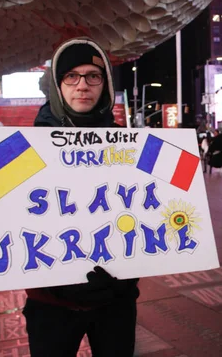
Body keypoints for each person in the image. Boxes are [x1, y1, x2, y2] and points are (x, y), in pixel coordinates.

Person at [24, 37, 139, 357]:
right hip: (50, 306)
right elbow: (1, 216)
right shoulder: (26, 149)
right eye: (71, 76)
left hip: (115, 303)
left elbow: (147, 216)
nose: (82, 85)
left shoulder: (128, 150)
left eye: (93, 75)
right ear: (57, 85)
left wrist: (127, 279)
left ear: (106, 84)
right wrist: (55, 281)